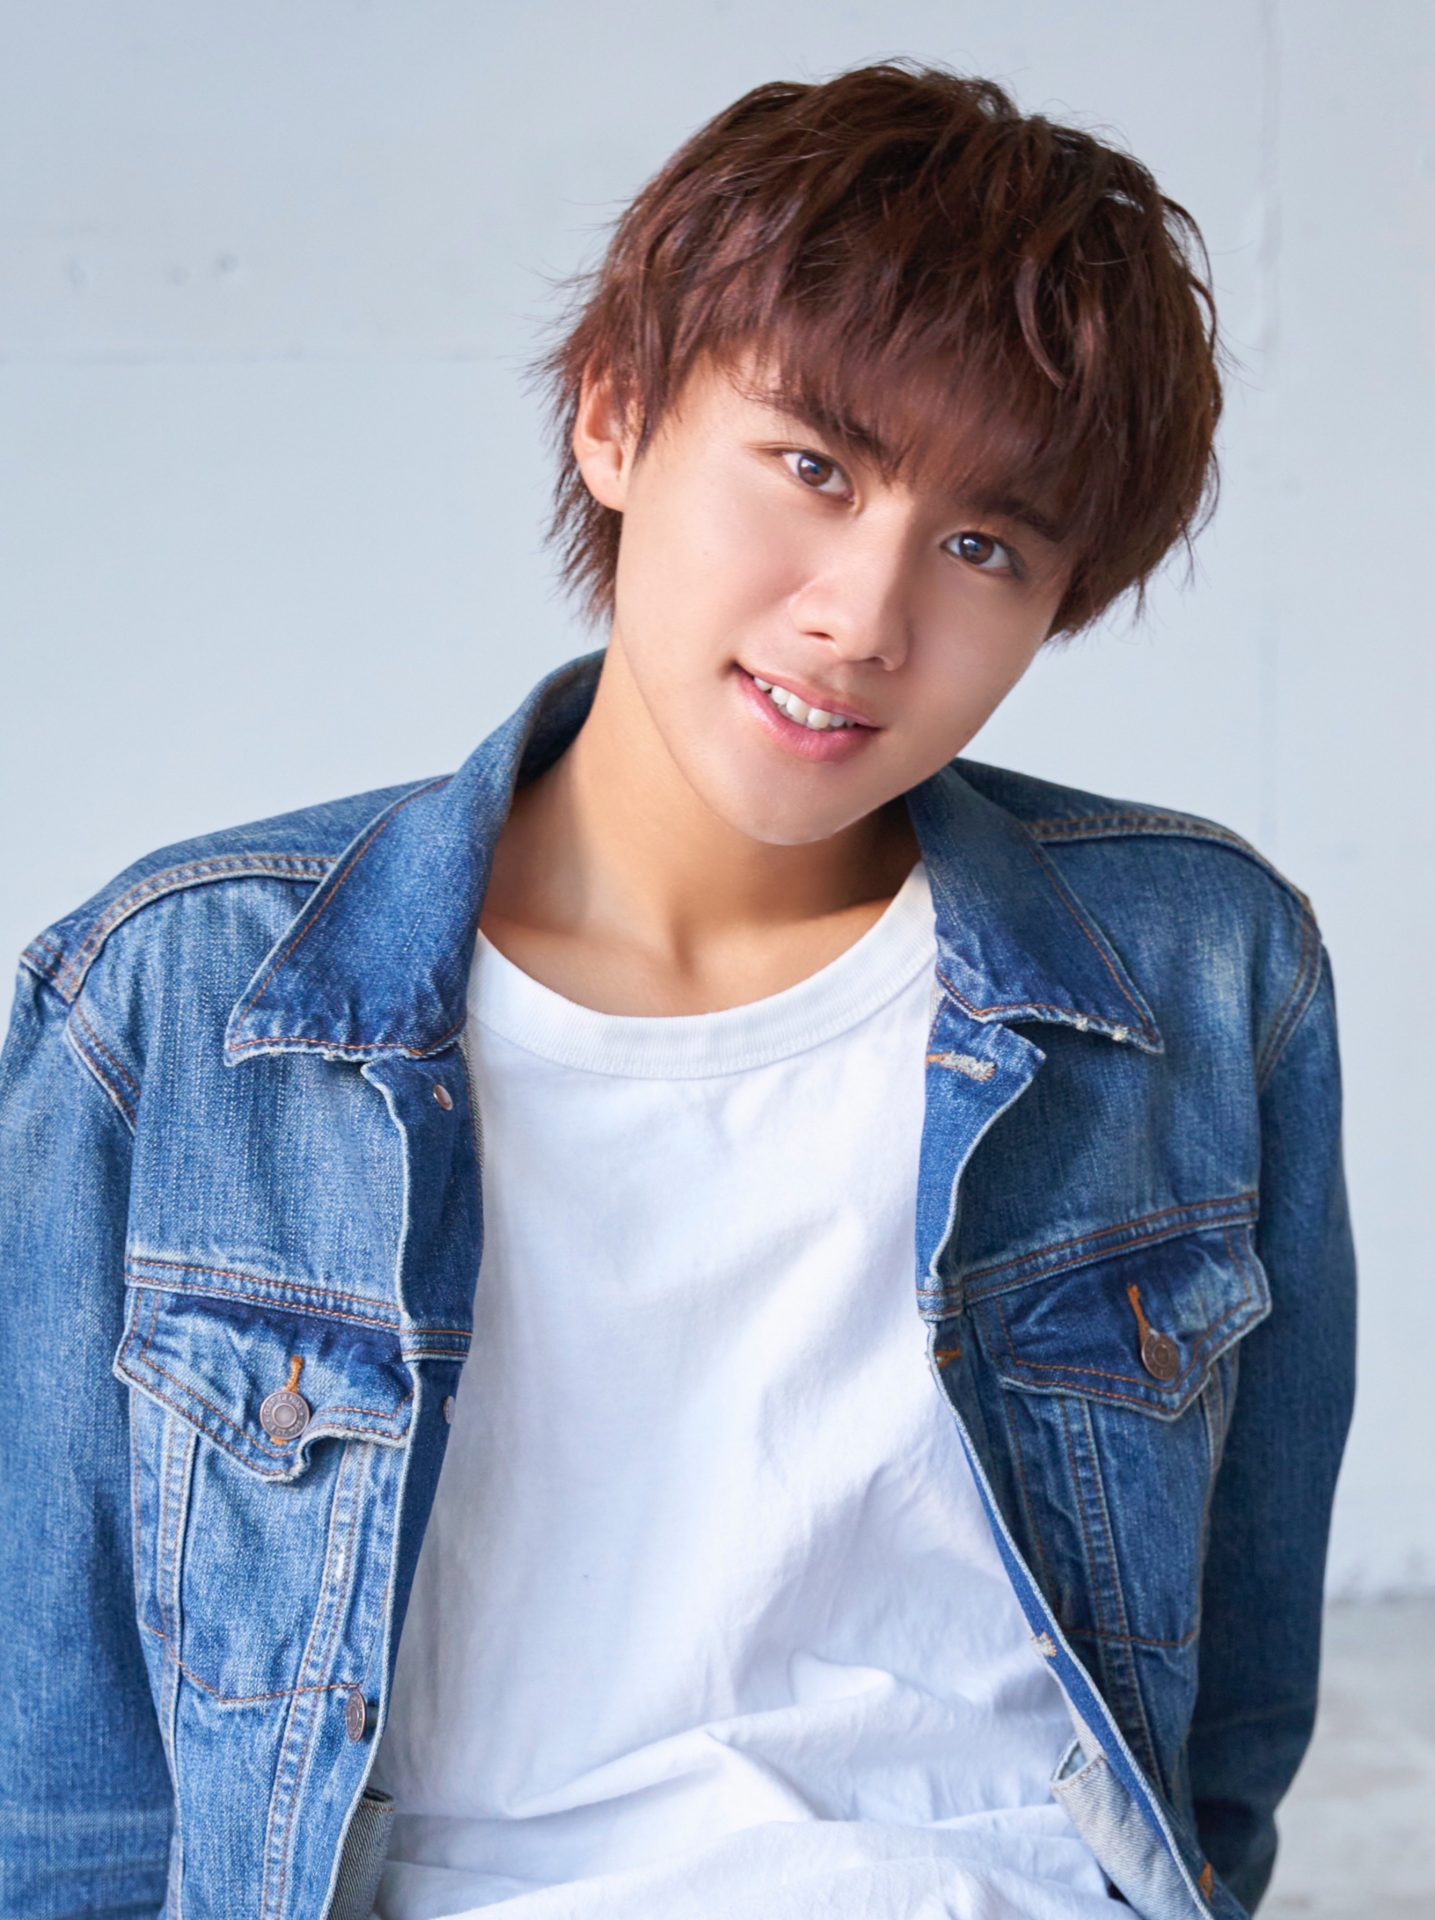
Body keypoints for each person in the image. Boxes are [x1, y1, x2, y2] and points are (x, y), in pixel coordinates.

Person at [0, 58, 1355, 1920]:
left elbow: (1227, 1720)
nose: (863, 616)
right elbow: (62, 1796)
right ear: (617, 417)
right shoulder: (174, 1003)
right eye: (815, 468)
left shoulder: (1201, 973)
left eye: (983, 546)